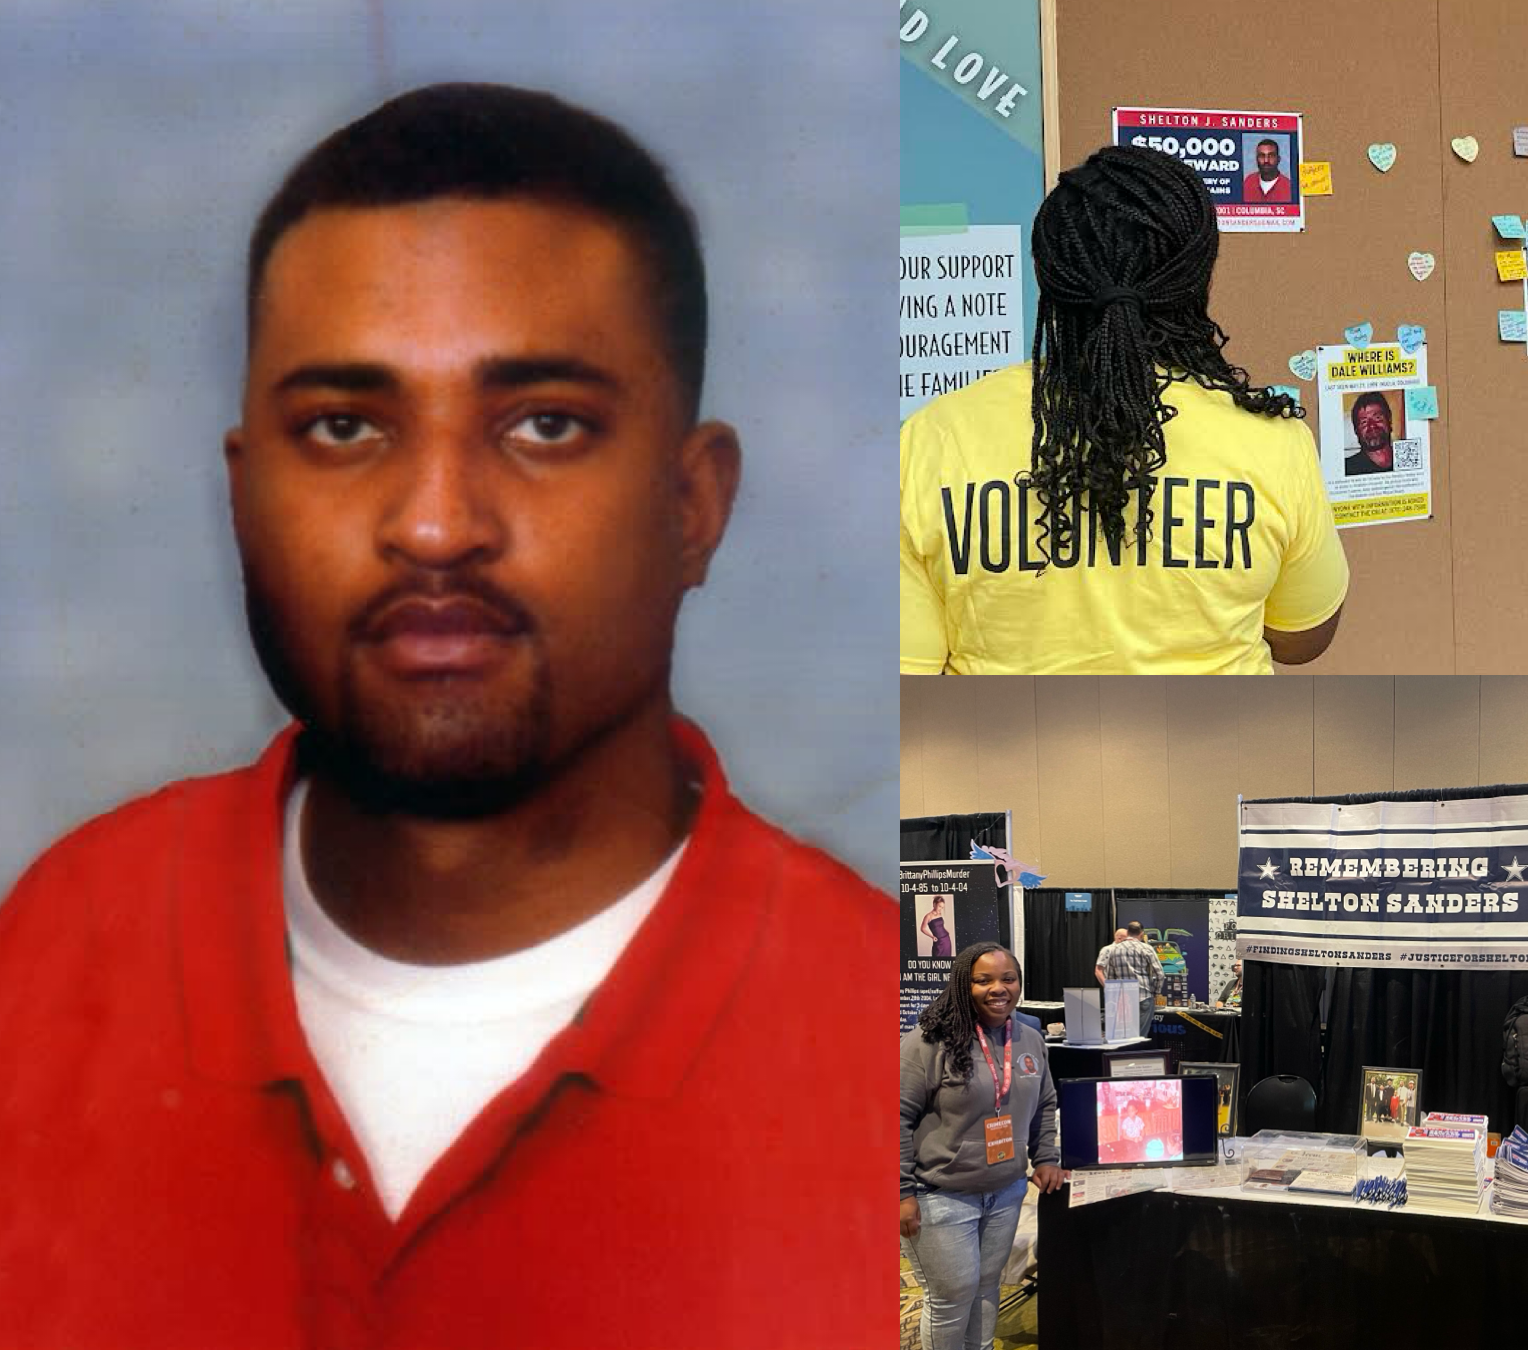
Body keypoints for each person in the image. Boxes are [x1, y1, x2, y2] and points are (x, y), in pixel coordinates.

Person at [0, 84, 891, 1349]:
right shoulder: (57, 946)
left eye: (542, 424)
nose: (432, 522)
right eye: (346, 425)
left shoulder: (860, 1016)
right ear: (246, 499)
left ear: (694, 505)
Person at [900, 144, 1349, 675]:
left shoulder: (931, 439)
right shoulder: (1272, 441)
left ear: (1049, 274)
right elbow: (1302, 638)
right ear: (1198, 278)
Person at [902, 942, 1067, 1350]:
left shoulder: (1029, 1039)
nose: (999, 988)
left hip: (1006, 1190)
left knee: (986, 1288)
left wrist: (1046, 1157)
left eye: (1008, 978)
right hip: (940, 1195)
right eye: (984, 980)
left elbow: (1045, 1103)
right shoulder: (927, 1042)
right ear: (963, 985)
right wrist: (900, 1191)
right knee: (952, 1297)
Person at [1099, 920, 1165, 1035]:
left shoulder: (1114, 950)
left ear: (1128, 932)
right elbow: (1160, 974)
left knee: (1124, 1037)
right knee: (1140, 1037)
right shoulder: (1146, 948)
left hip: (1122, 1000)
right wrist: (1155, 992)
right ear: (1141, 934)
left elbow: (1110, 979)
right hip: (1143, 997)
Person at [1344, 392, 1397, 476]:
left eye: (1377, 418)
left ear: (1389, 420)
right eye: (1364, 422)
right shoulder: (1346, 469)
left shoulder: (1406, 460)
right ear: (1356, 430)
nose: (1371, 425)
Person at [1242, 138, 1293, 203]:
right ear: (1256, 159)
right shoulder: (1248, 182)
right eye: (1262, 156)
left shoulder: (1289, 187)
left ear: (1278, 159)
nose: (1266, 160)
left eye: (1271, 156)